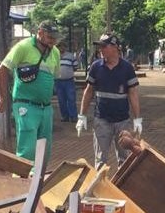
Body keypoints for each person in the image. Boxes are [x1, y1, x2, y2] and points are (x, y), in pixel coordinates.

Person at [0, 21, 61, 160]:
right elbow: (2, 70)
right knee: (28, 147)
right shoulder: (23, 47)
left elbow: (54, 77)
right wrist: (2, 98)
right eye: (50, 37)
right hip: (26, 105)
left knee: (45, 147)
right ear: (40, 33)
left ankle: (39, 178)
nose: (53, 41)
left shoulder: (55, 52)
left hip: (46, 107)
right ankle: (22, 178)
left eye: (55, 38)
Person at [77, 34, 141, 168]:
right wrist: (81, 116)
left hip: (122, 121)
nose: (100, 49)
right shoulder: (96, 67)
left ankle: (122, 188)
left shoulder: (127, 68)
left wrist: (137, 118)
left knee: (125, 160)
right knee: (100, 160)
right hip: (102, 120)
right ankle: (99, 188)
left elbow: (133, 93)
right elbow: (89, 91)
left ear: (115, 48)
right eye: (100, 46)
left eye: (103, 46)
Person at [55, 45, 79, 122]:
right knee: (61, 100)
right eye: (59, 47)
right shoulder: (54, 56)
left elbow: (75, 67)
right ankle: (65, 116)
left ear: (65, 47)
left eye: (62, 46)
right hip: (58, 82)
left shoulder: (70, 56)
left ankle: (73, 116)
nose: (61, 48)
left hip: (69, 81)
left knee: (71, 99)